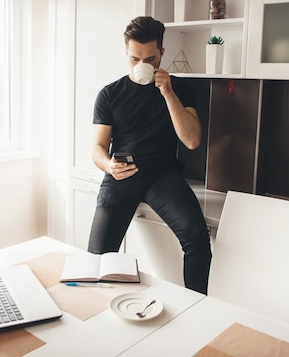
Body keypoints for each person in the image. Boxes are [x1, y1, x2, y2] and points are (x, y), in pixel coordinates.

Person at [87, 16, 212, 294]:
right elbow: (97, 148)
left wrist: (167, 93)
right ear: (126, 53)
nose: (142, 65)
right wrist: (109, 166)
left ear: (162, 54)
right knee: (96, 258)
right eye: (134, 59)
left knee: (196, 237)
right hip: (122, 175)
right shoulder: (109, 94)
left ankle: (197, 307)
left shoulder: (179, 89)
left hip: (162, 175)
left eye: (151, 59)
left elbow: (192, 140)